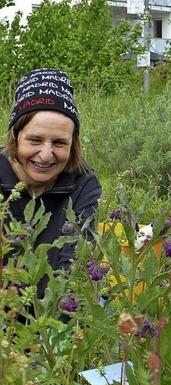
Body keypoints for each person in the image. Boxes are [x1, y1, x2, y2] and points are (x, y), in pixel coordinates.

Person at [1, 68, 102, 298]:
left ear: (72, 144)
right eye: (35, 140)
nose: (46, 155)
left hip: (55, 310)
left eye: (59, 143)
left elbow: (76, 263)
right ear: (15, 136)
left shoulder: (83, 183)